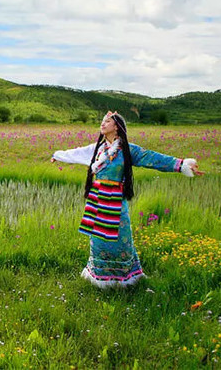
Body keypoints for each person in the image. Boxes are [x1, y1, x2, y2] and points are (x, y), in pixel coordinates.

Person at [51, 111, 203, 288]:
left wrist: (181, 164)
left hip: (116, 199)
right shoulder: (98, 149)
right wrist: (58, 155)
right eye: (102, 121)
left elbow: (152, 158)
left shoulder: (128, 150)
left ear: (116, 126)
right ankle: (100, 277)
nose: (102, 124)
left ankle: (124, 278)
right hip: (98, 200)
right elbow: (75, 153)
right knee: (99, 240)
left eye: (107, 121)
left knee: (120, 237)